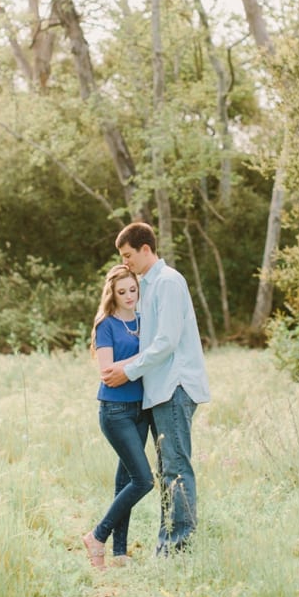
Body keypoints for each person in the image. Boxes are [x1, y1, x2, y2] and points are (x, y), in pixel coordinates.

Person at [101, 221, 210, 554]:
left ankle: (179, 548)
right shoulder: (148, 286)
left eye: (128, 255)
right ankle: (168, 546)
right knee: (166, 470)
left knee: (176, 468)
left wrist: (129, 372)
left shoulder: (169, 282)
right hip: (160, 390)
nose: (126, 262)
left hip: (175, 387)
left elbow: (166, 342)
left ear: (145, 249)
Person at [81, 264, 153, 569]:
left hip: (142, 409)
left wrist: (147, 355)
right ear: (112, 293)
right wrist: (149, 354)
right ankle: (97, 535)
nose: (128, 296)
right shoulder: (106, 325)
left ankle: (119, 553)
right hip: (115, 410)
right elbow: (108, 373)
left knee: (126, 479)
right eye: (121, 291)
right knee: (144, 480)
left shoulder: (145, 321)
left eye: (132, 290)